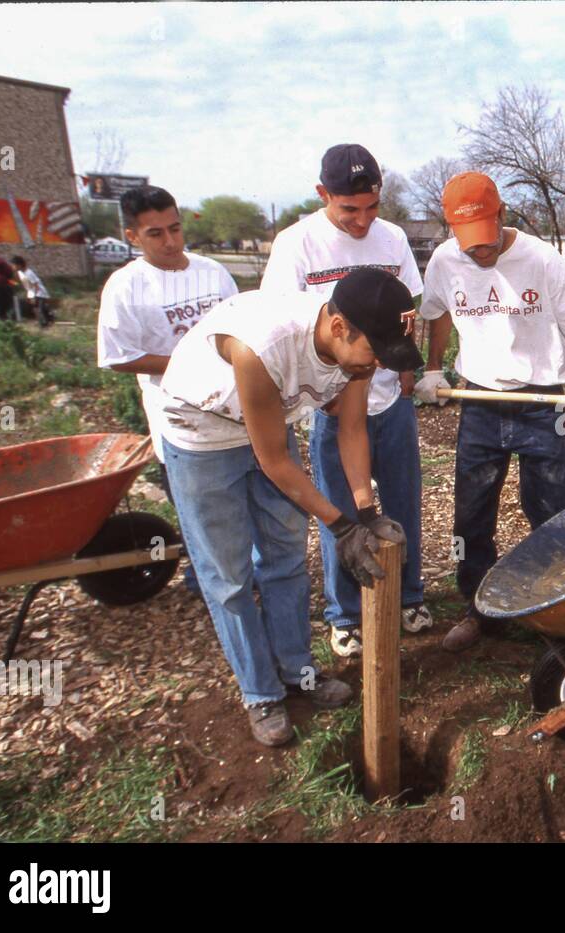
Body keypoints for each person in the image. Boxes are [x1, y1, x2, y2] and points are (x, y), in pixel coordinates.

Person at [157, 268, 418, 746]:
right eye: (375, 351)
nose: (379, 363)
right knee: (230, 577)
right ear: (339, 327)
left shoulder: (356, 356)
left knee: (285, 561)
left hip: (267, 427)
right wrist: (340, 528)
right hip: (201, 434)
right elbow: (273, 460)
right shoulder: (265, 345)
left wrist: (364, 512)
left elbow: (352, 430)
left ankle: (300, 674)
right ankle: (261, 693)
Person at [413, 171, 565, 652]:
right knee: (471, 513)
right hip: (481, 401)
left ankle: (556, 604)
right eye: (469, 244)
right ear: (451, 230)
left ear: (502, 216)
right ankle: (479, 606)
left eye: (486, 241)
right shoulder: (446, 261)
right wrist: (432, 368)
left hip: (542, 401)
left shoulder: (541, 259)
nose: (479, 252)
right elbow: (437, 312)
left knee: (549, 508)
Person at [262, 143, 431, 657]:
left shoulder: (394, 238)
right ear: (322, 195)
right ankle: (346, 613)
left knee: (401, 505)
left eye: (372, 207)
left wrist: (407, 366)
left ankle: (408, 595)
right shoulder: (297, 245)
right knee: (341, 511)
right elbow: (282, 319)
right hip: (330, 400)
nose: (363, 222)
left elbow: (410, 309)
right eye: (349, 210)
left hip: (387, 397)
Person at [96, 185, 239, 593]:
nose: (171, 241)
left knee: (236, 508)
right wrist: (188, 359)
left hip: (232, 412)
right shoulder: (127, 286)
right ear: (132, 236)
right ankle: (207, 586)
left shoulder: (212, 271)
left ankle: (240, 578)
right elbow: (118, 355)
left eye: (175, 228)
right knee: (199, 513)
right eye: (156, 233)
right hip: (178, 423)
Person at [10, 256, 52, 327]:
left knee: (40, 309)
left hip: (39, 293)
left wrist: (34, 297)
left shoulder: (29, 273)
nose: (12, 267)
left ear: (19, 265)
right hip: (32, 293)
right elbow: (22, 284)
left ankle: (44, 324)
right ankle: (46, 320)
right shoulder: (21, 273)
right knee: (36, 309)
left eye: (13, 265)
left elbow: (36, 285)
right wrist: (11, 282)